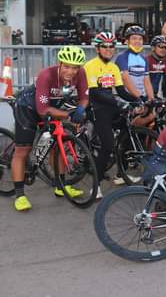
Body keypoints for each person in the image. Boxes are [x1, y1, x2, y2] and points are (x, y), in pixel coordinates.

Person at [11, 46, 89, 211]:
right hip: (29, 108)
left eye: (75, 67)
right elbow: (42, 110)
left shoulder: (81, 74)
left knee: (57, 147)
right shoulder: (47, 75)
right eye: (67, 66)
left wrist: (81, 110)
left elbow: (84, 98)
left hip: (53, 108)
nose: (70, 71)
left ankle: (60, 186)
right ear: (59, 63)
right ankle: (20, 195)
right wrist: (68, 115)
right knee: (23, 150)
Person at [84, 32, 142, 192]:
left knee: (128, 134)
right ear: (97, 48)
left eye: (112, 46)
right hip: (96, 107)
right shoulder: (90, 66)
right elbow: (95, 92)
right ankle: (95, 186)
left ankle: (120, 174)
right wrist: (119, 102)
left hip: (111, 105)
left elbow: (121, 91)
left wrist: (137, 99)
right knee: (108, 145)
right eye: (105, 46)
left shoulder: (113, 67)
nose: (109, 49)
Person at [116, 25, 154, 127]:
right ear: (127, 41)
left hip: (140, 98)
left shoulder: (143, 59)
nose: (137, 41)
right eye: (134, 38)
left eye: (140, 39)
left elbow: (147, 81)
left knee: (152, 119)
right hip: (127, 98)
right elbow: (126, 79)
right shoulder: (122, 57)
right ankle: (129, 131)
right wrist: (139, 97)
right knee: (146, 118)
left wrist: (151, 99)